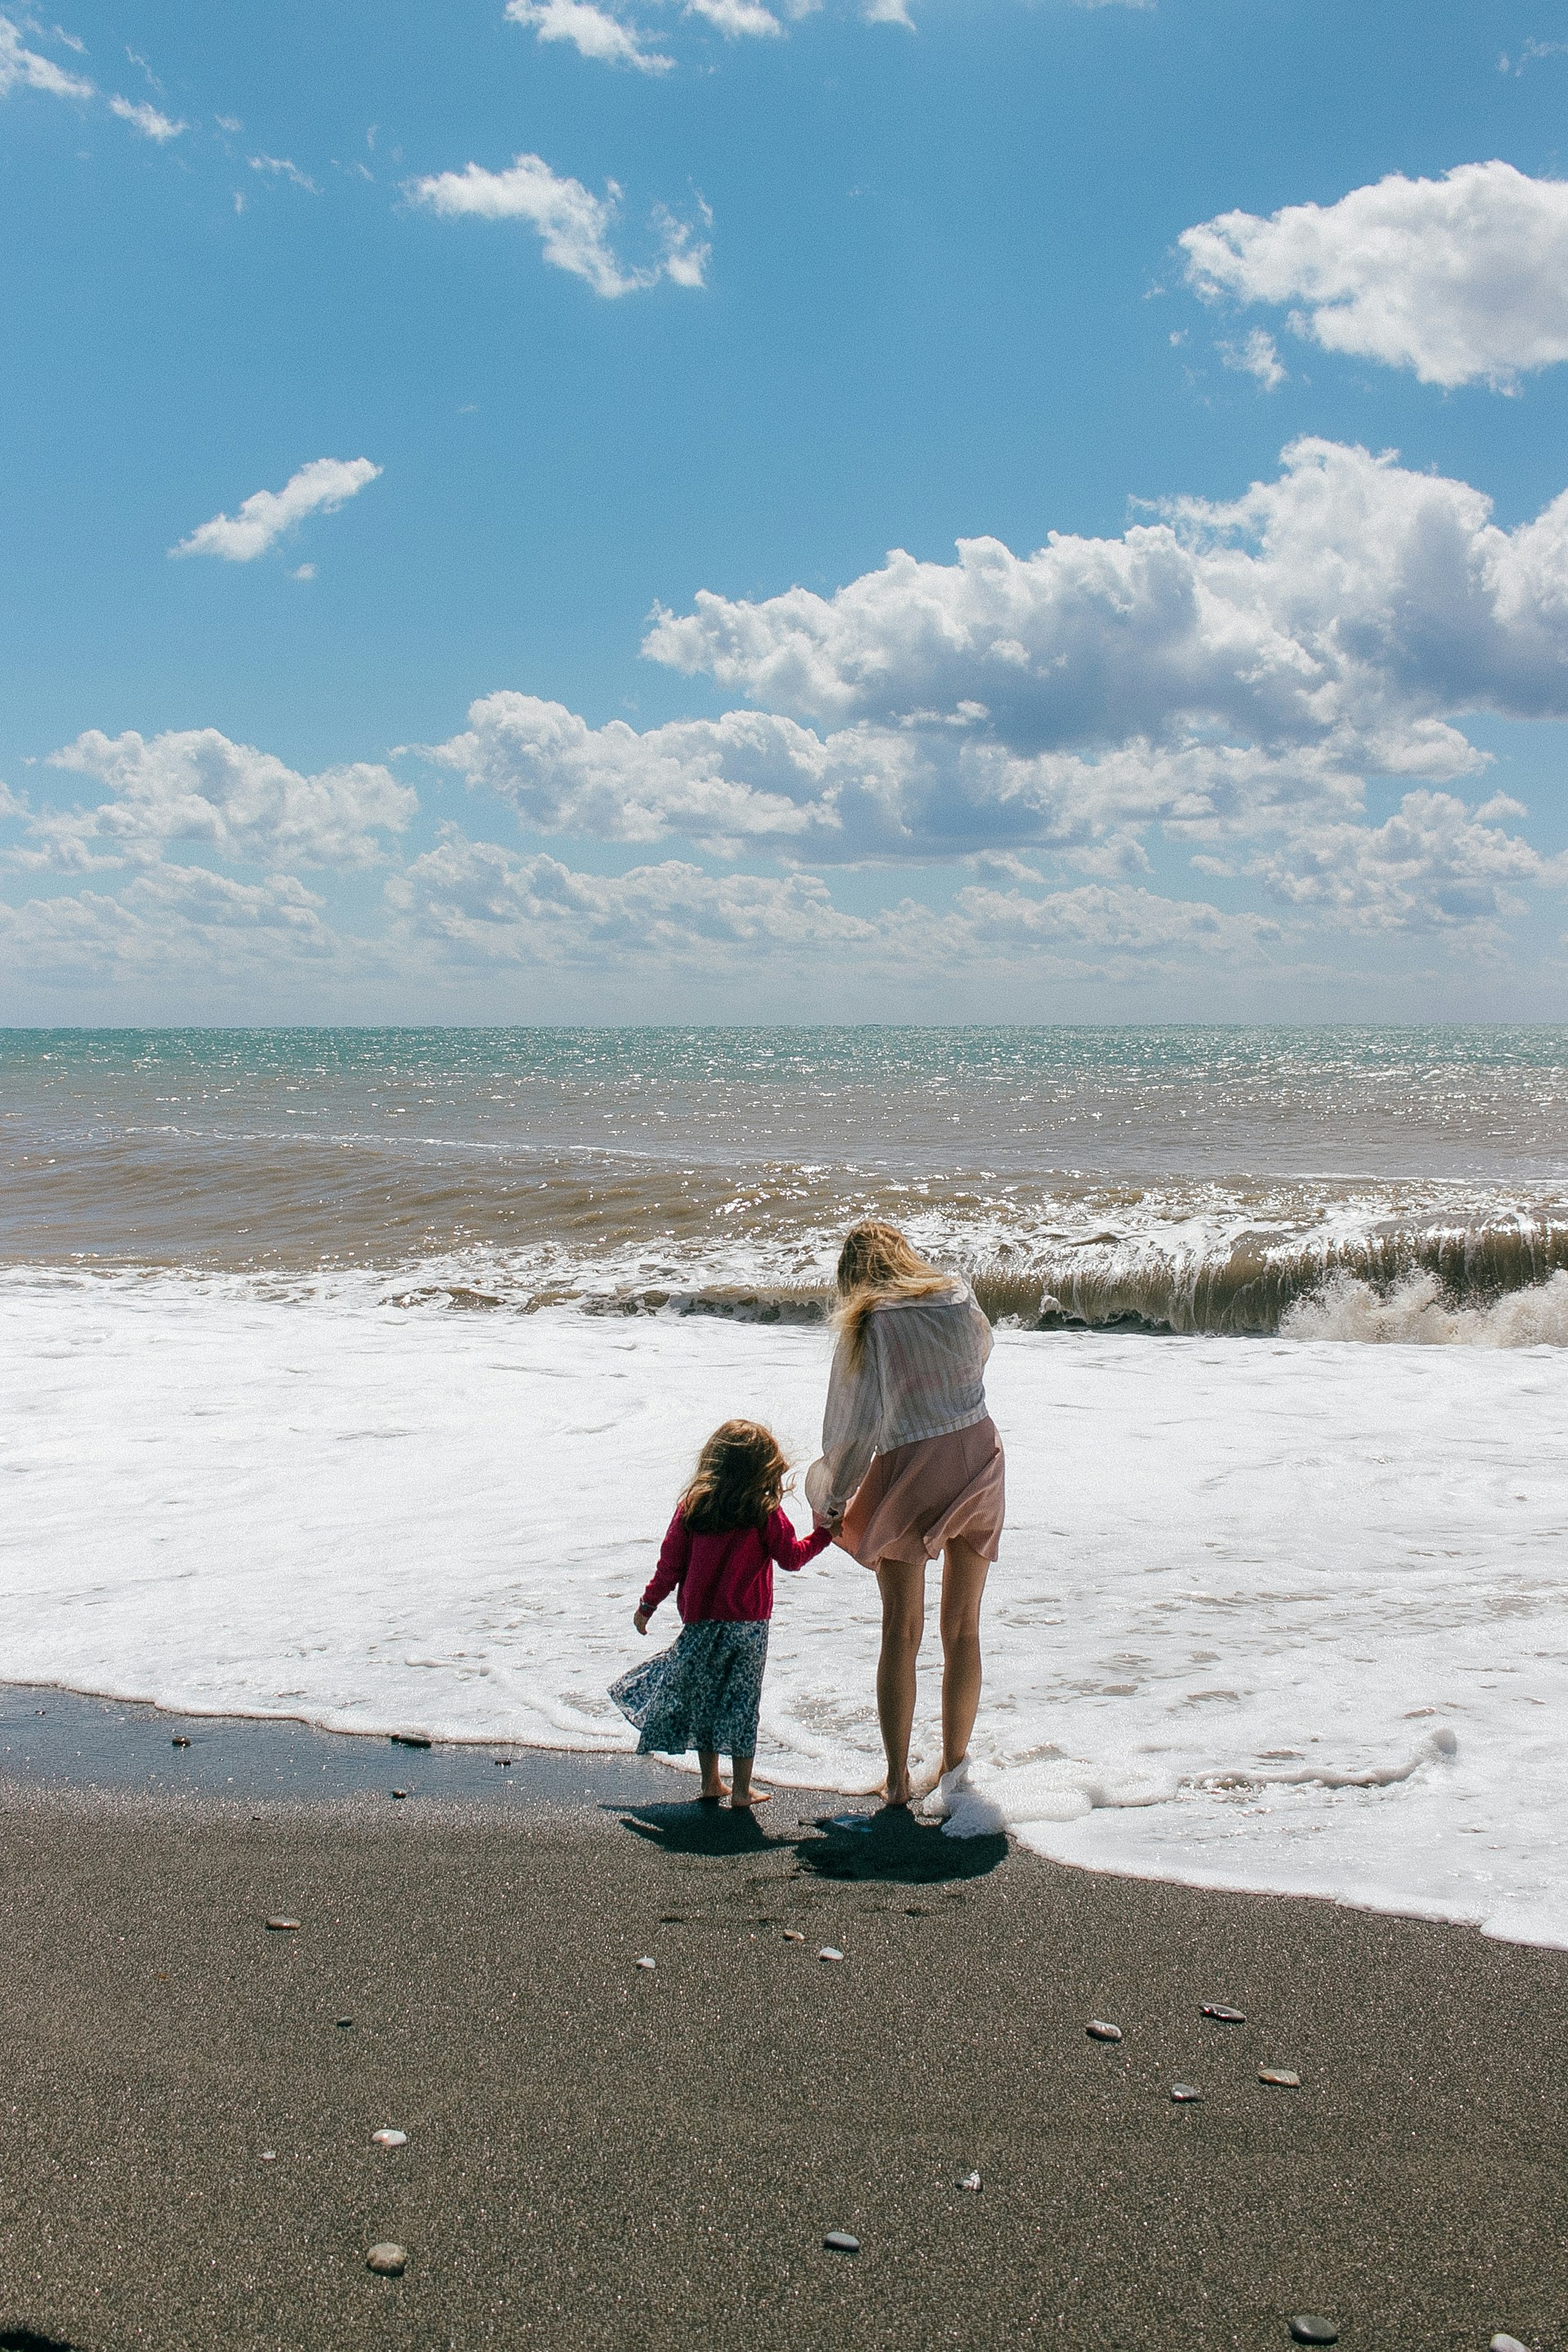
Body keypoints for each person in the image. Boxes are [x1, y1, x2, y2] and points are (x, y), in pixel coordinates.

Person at [805, 1221, 1004, 1809]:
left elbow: (853, 1427)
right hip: (980, 1452)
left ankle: (896, 1782)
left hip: (913, 1464)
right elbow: (982, 1353)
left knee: (902, 1630)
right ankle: (953, 1769)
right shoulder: (957, 1292)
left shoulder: (870, 1321)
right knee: (963, 1628)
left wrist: (832, 1499)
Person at [609, 1418, 831, 1809]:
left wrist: (648, 1605)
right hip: (749, 1629)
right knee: (743, 1705)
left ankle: (711, 1782)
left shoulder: (693, 1508)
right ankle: (742, 1790)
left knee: (707, 1702)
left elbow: (670, 1565)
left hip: (702, 1625)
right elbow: (792, 1558)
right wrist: (825, 1534)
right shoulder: (764, 1511)